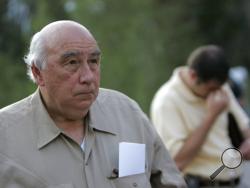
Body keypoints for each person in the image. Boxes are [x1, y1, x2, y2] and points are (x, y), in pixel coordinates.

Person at [0, 20, 186, 188]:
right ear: (38, 73)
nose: (88, 77)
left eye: (93, 61)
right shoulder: (6, 137)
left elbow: (170, 182)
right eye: (72, 62)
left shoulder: (126, 113)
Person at [150, 45, 250, 188]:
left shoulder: (219, 87)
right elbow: (176, 162)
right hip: (200, 183)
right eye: (211, 89)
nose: (217, 94)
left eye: (221, 88)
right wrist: (211, 116)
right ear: (193, 76)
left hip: (236, 181)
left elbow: (244, 126)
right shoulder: (166, 101)